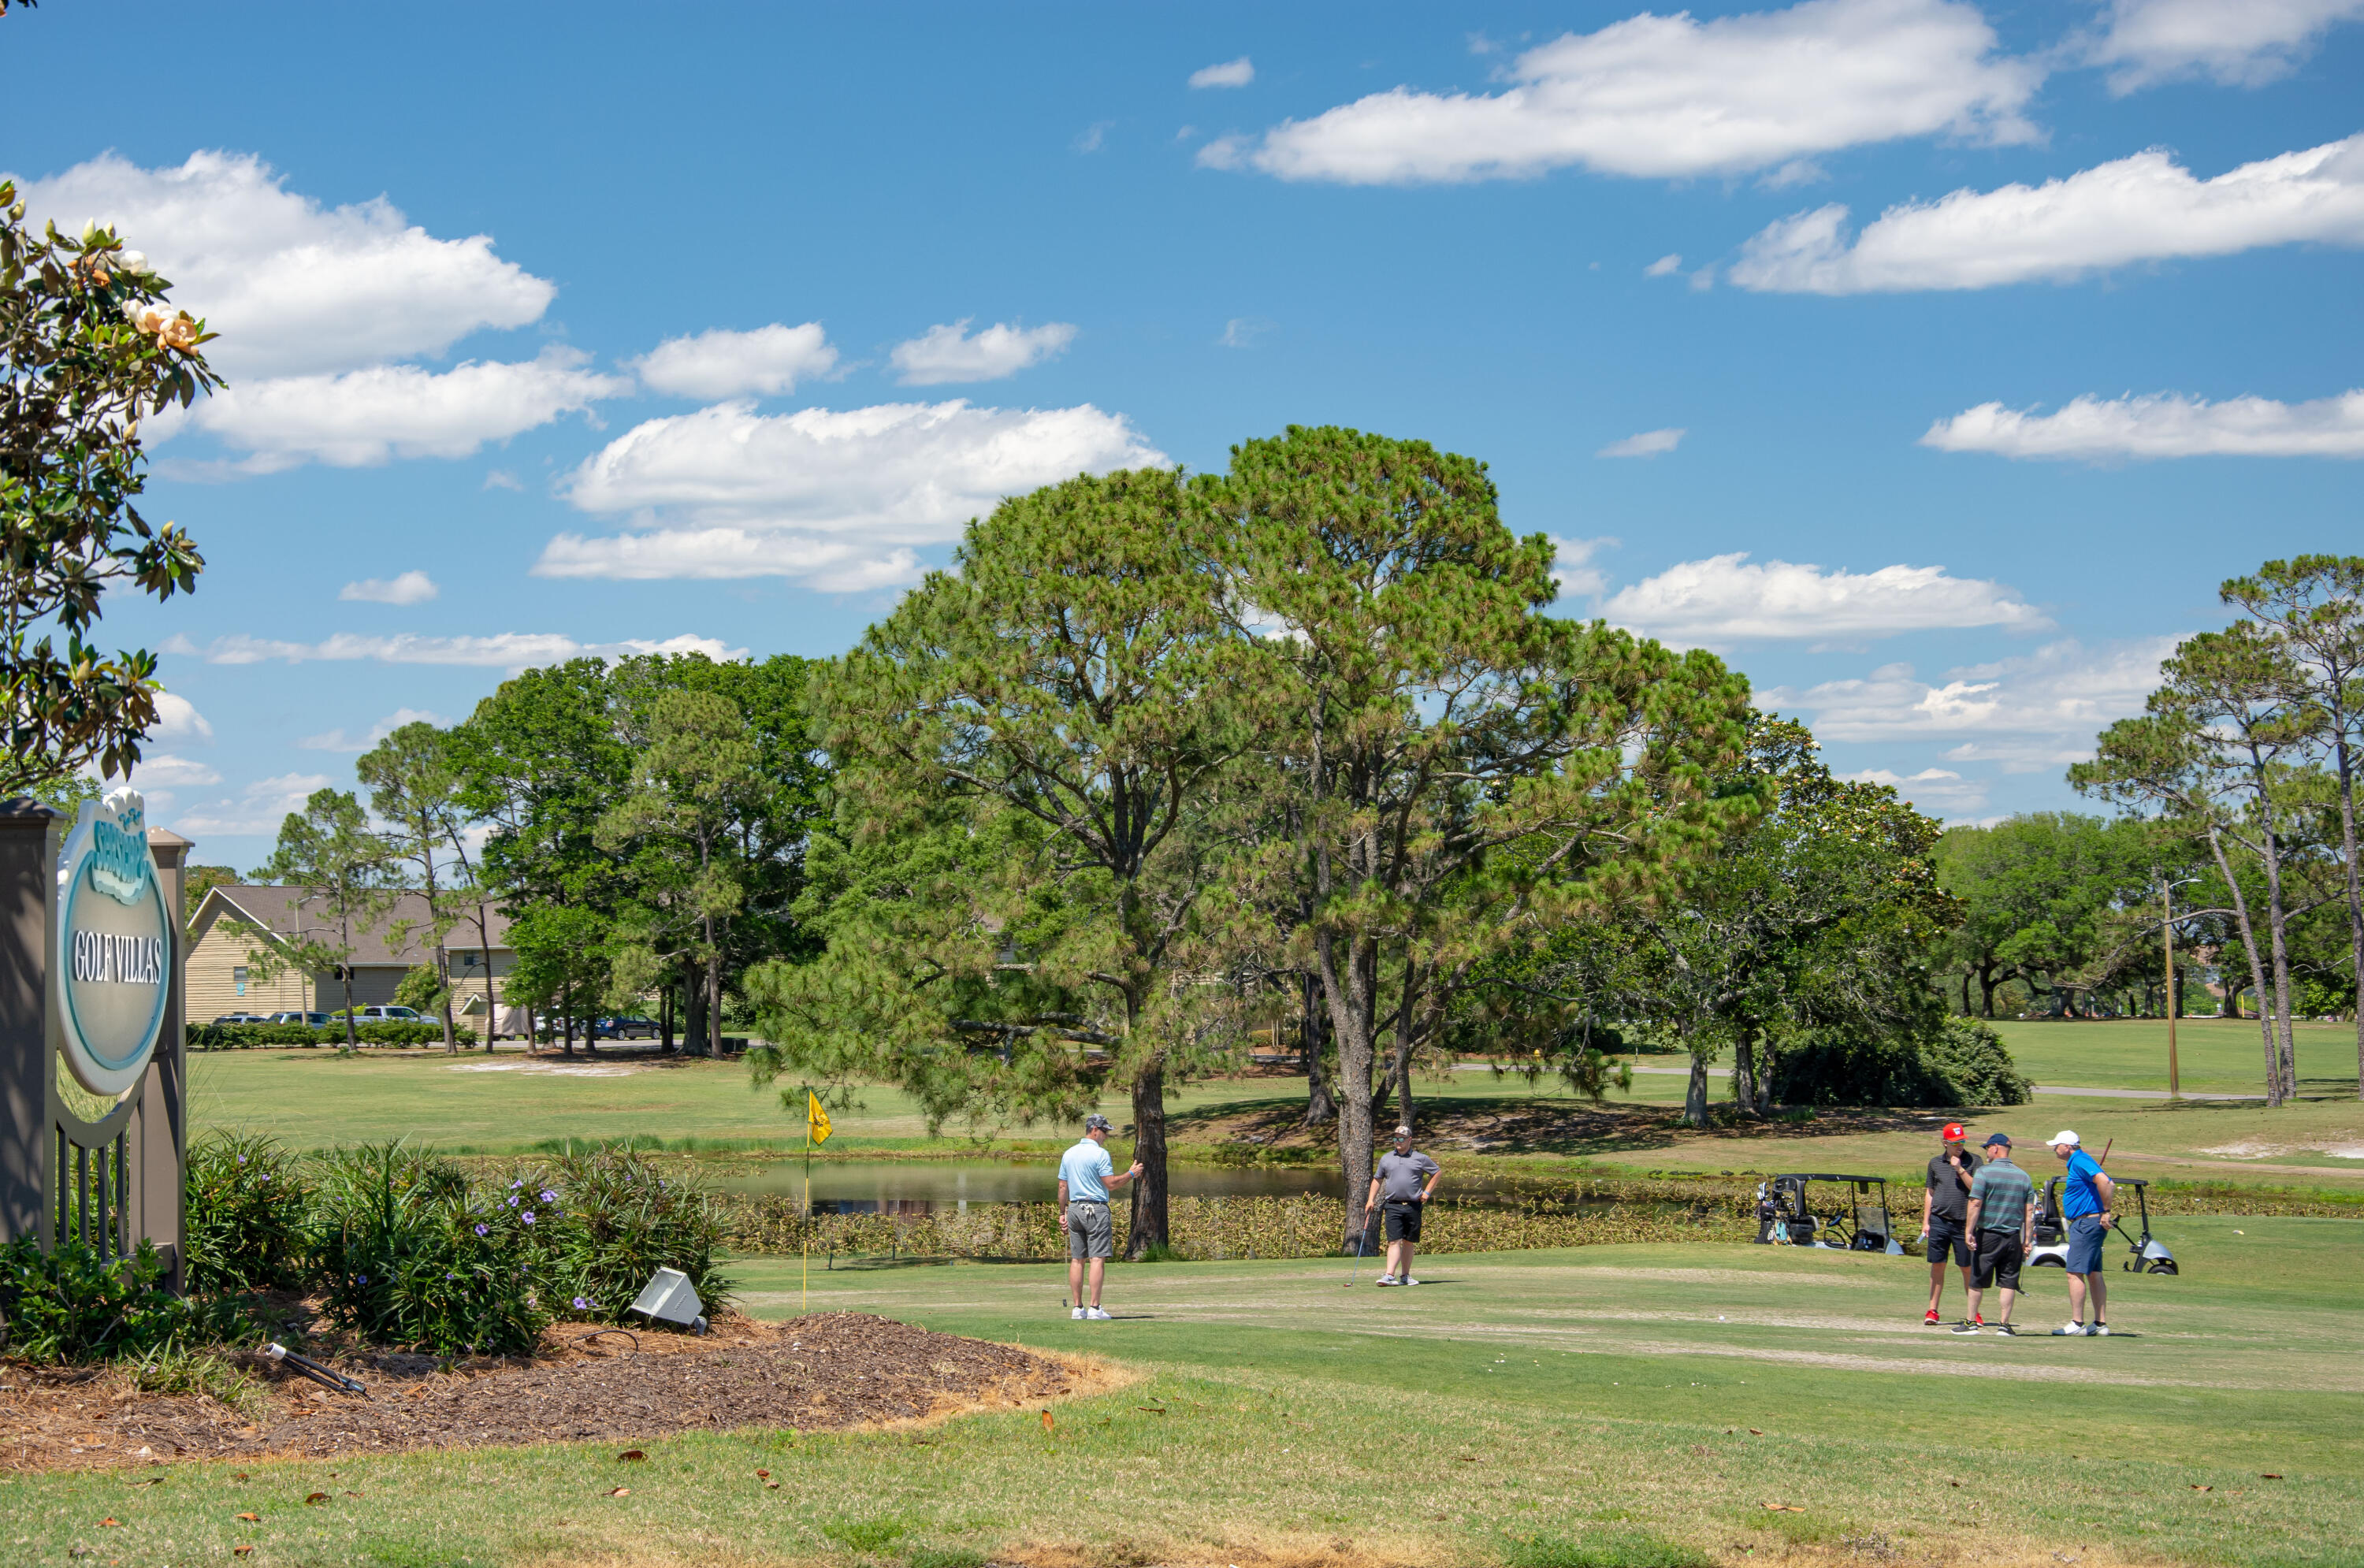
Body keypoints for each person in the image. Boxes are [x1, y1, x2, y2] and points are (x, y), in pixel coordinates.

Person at [1057, 1113, 1142, 1321]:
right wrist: (1131, 1174)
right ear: (1094, 1130)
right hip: (1096, 1209)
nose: (1106, 1136)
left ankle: (1078, 1308)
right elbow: (1111, 1184)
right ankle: (1095, 1309)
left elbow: (1062, 1186)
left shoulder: (1068, 1153)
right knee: (1097, 1258)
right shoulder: (1100, 1154)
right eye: (1104, 1132)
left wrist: (1062, 1213)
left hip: (1075, 1209)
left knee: (1078, 1260)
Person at [1960, 1133, 2035, 1335]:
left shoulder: (1984, 1173)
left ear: (1995, 1148)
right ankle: (2004, 1324)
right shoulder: (2024, 1176)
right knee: (2009, 1281)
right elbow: (2029, 1212)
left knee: (1977, 1280)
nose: (1986, 1153)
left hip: (1988, 1235)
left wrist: (1968, 1232)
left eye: (1987, 1149)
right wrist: (2027, 1240)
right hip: (2013, 1237)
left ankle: (1970, 1322)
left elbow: (1975, 1203)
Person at [2047, 1130, 2115, 1336]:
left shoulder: (2079, 1160)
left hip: (2086, 1223)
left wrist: (2106, 1211)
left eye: (2057, 1145)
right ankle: (2100, 1324)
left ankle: (2077, 1323)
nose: (2054, 1149)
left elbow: (2106, 1182)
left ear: (2068, 1147)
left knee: (2074, 1272)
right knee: (2094, 1273)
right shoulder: (2079, 1161)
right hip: (2088, 1223)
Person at [1918, 1122, 1980, 1326]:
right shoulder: (1935, 1163)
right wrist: (1926, 1222)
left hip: (1965, 1223)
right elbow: (1930, 1193)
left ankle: (1974, 1313)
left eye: (1962, 1141)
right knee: (1938, 1264)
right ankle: (1932, 1310)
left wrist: (1960, 1168)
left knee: (1966, 1267)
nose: (1960, 1146)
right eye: (1955, 1143)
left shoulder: (1974, 1161)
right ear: (1945, 1143)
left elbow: (1976, 1189)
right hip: (1939, 1221)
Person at [1363, 1126, 1440, 1287]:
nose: (1398, 1141)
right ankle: (1389, 1275)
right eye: (1396, 1138)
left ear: (1409, 1140)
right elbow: (1377, 1179)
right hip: (1392, 1205)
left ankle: (1405, 1276)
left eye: (1401, 1138)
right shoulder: (1386, 1158)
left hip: (1413, 1205)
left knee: (1408, 1241)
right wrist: (1371, 1199)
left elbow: (1437, 1173)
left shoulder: (1421, 1158)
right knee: (1394, 1241)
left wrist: (1427, 1193)